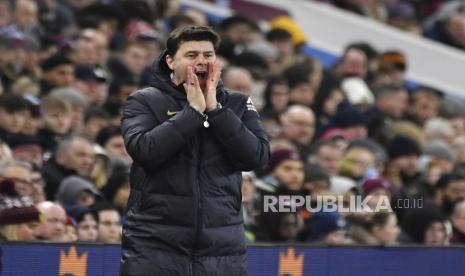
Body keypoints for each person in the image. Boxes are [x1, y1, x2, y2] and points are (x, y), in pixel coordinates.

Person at [120, 25, 270, 275]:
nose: (202, 61)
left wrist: (216, 111)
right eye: (192, 56)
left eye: (208, 55)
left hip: (222, 250)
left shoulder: (238, 103)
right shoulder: (144, 100)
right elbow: (145, 151)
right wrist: (192, 113)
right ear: (170, 61)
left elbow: (257, 157)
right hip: (155, 246)